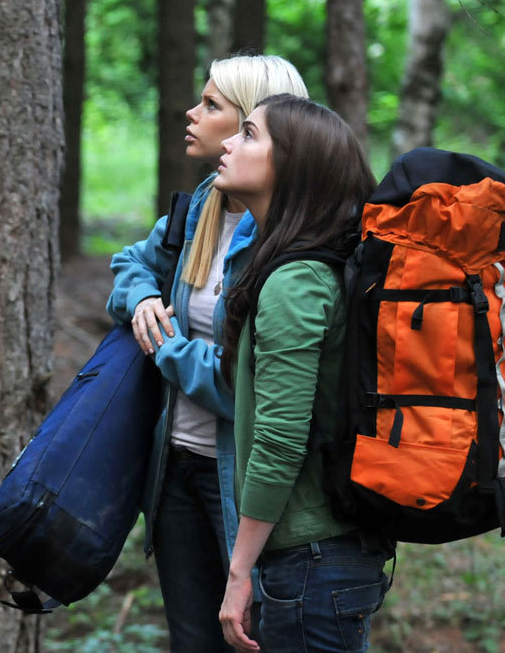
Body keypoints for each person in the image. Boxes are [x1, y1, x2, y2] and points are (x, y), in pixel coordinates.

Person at [106, 55, 308, 651]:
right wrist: (142, 298)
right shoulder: (205, 205)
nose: (192, 114)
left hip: (246, 486)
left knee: (253, 639)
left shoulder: (289, 242)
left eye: (213, 106)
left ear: (257, 129)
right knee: (191, 640)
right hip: (174, 473)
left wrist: (164, 346)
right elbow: (130, 262)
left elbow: (238, 388)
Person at [215, 95, 389, 651]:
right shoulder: (318, 267)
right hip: (330, 559)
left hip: (313, 562)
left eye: (247, 134)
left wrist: (239, 568)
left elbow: (280, 438)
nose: (227, 143)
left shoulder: (298, 281)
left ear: (290, 165)